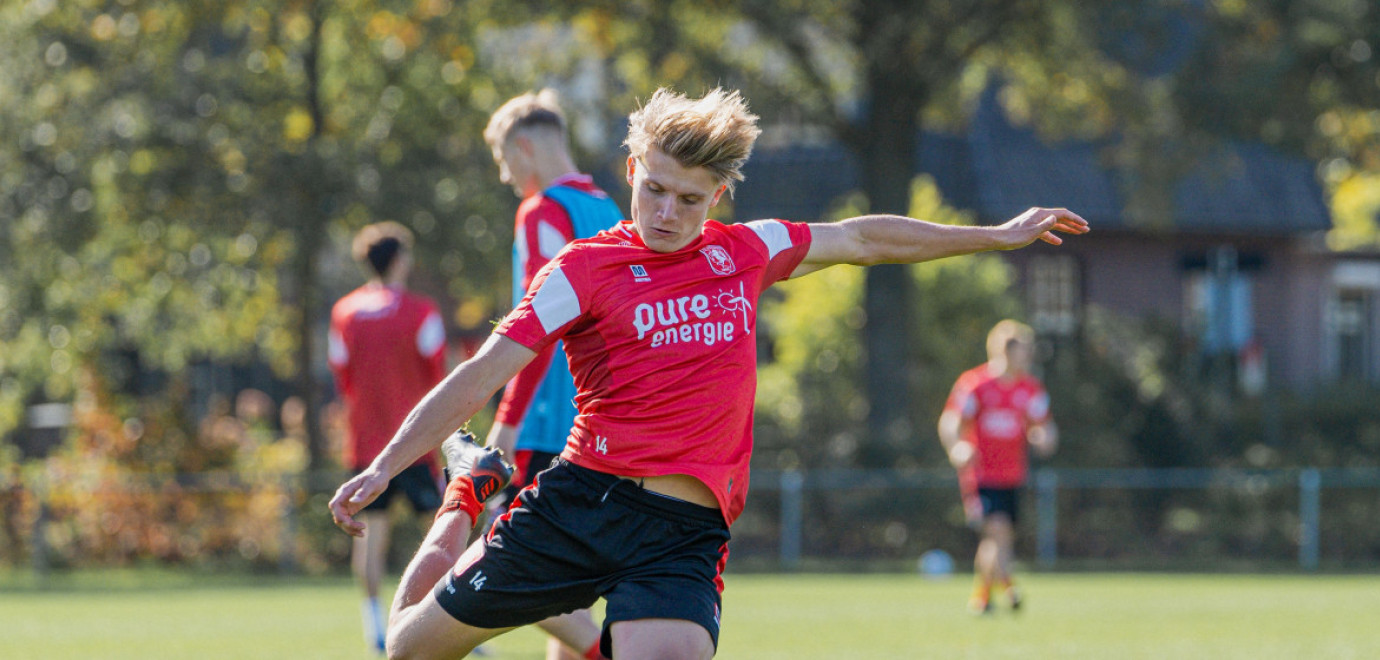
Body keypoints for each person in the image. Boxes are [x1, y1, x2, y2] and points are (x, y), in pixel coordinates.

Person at [329, 86, 1088, 659]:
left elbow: (864, 238)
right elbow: (481, 374)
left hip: (681, 533)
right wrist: (388, 464)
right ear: (631, 170)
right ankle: (469, 491)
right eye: (652, 188)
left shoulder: (744, 251)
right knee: (407, 650)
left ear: (718, 196)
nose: (665, 211)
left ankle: (480, 496)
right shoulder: (584, 268)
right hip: (580, 502)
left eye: (689, 199)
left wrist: (994, 235)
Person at [478, 88, 622, 660]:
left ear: (526, 146)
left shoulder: (542, 211)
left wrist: (508, 423)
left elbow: (536, 329)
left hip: (547, 422)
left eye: (503, 159)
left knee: (520, 571)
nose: (505, 175)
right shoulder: (611, 208)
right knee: (570, 583)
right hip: (604, 422)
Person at [328, 221, 448, 654]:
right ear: (399, 259)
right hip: (415, 444)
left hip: (365, 445)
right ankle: (447, 621)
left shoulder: (344, 312)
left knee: (369, 536)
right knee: (442, 532)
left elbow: (341, 373)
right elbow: (439, 374)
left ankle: (374, 626)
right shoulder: (420, 311)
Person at [937, 319, 1058, 615]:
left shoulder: (1030, 389)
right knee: (998, 530)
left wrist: (1044, 437)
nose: (1028, 356)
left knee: (997, 538)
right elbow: (950, 421)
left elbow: (1046, 427)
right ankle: (1009, 587)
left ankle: (983, 596)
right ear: (1005, 350)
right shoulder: (975, 384)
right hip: (980, 475)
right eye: (1024, 350)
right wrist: (957, 447)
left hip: (1013, 475)